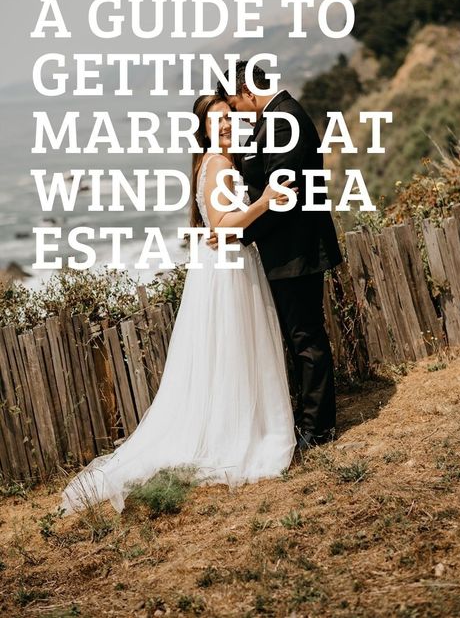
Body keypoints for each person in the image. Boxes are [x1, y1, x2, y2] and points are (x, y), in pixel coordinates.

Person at [59, 94, 297, 516]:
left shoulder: (219, 163)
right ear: (204, 129)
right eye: (217, 121)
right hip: (227, 270)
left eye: (229, 119)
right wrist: (263, 203)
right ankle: (237, 435)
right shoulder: (219, 166)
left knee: (228, 354)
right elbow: (222, 229)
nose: (226, 126)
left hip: (223, 268)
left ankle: (238, 426)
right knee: (233, 352)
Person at [215, 61, 343, 450]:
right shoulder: (276, 119)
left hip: (296, 251)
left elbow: (280, 197)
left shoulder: (283, 122)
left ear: (249, 92)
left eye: (235, 105)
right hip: (289, 250)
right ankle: (309, 422)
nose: (236, 113)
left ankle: (317, 430)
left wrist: (238, 233)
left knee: (306, 340)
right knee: (299, 337)